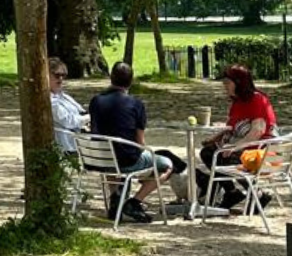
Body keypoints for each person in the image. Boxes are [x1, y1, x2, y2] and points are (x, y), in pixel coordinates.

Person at [85, 61, 181, 222]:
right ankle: (135, 202)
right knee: (167, 164)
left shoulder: (96, 101)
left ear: (111, 78)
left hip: (99, 158)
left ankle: (116, 197)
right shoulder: (136, 104)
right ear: (131, 81)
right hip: (126, 159)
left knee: (113, 155)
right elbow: (140, 141)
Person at [197, 63, 277, 210]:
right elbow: (232, 127)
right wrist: (215, 138)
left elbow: (258, 130)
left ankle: (257, 194)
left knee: (225, 157)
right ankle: (231, 192)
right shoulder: (238, 102)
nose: (225, 86)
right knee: (208, 152)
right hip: (244, 146)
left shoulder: (257, 100)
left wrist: (235, 146)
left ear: (239, 83)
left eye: (227, 83)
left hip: (259, 150)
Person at [48, 58, 86, 155]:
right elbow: (68, 121)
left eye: (63, 75)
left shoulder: (63, 96)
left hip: (80, 139)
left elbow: (81, 110)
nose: (60, 79)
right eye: (57, 75)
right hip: (68, 145)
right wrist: (89, 117)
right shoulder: (49, 100)